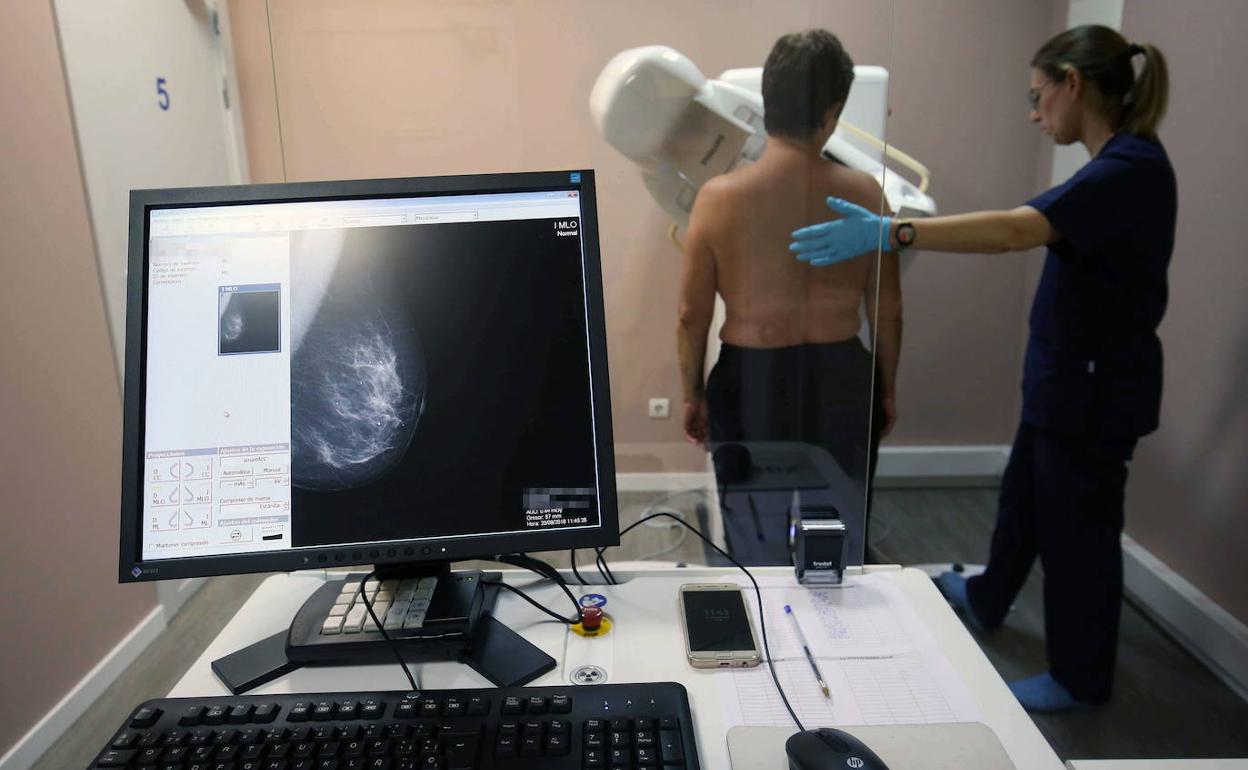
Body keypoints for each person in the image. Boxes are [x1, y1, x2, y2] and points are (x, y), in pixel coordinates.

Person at [789, 25, 1175, 713]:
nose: (1034, 113)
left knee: (1078, 532)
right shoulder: (1114, 164)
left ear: (1073, 84)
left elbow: (1014, 231)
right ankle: (990, 593)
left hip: (1094, 391)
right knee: (1025, 495)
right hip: (1067, 380)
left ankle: (1080, 680)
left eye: (1037, 96)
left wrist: (894, 230)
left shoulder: (1129, 169)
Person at [676, 30, 902, 540]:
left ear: (768, 100)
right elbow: (887, 310)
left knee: (755, 531)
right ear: (832, 110)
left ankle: (761, 614)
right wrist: (885, 387)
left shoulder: (718, 198)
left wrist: (691, 394)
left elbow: (691, 316)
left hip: (751, 381)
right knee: (838, 533)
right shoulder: (867, 193)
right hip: (842, 378)